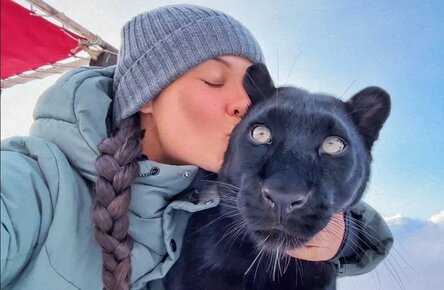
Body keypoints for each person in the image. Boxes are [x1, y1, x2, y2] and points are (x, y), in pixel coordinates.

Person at [0, 4, 393, 290]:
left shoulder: (208, 189)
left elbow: (360, 221)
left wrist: (343, 234)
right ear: (147, 96)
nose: (246, 104)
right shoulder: (32, 182)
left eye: (249, 86)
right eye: (213, 79)